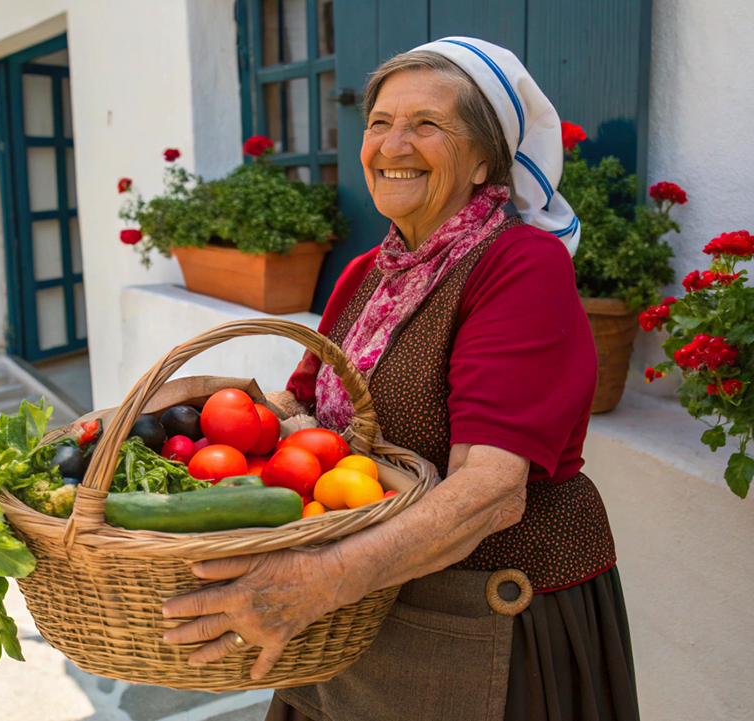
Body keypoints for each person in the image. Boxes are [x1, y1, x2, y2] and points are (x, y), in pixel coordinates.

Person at [159, 37, 639, 720]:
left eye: (428, 124)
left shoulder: (520, 265)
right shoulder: (366, 273)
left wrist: (315, 581)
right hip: (356, 607)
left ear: (483, 162)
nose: (393, 144)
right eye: (380, 122)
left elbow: (490, 493)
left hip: (486, 612)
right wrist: (198, 395)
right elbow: (301, 408)